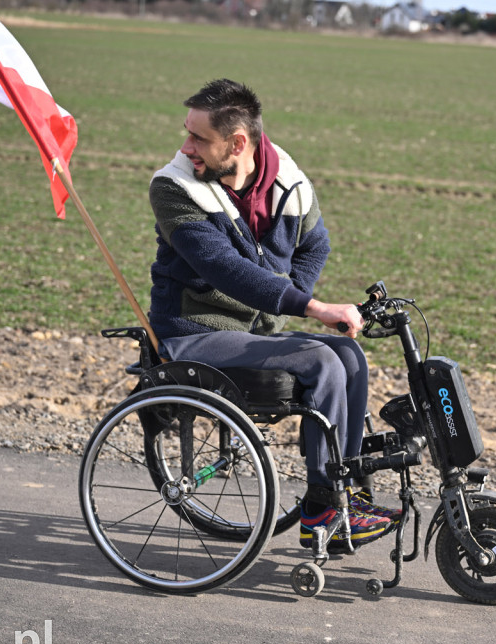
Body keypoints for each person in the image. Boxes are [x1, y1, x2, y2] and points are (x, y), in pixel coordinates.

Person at [146, 79, 399, 550]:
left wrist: (280, 307)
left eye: (199, 138)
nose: (186, 146)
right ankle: (323, 508)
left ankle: (347, 494)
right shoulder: (174, 187)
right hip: (192, 332)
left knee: (348, 355)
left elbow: (314, 243)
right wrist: (311, 307)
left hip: (254, 336)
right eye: (187, 133)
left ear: (238, 143)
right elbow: (226, 270)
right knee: (320, 361)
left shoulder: (289, 181)